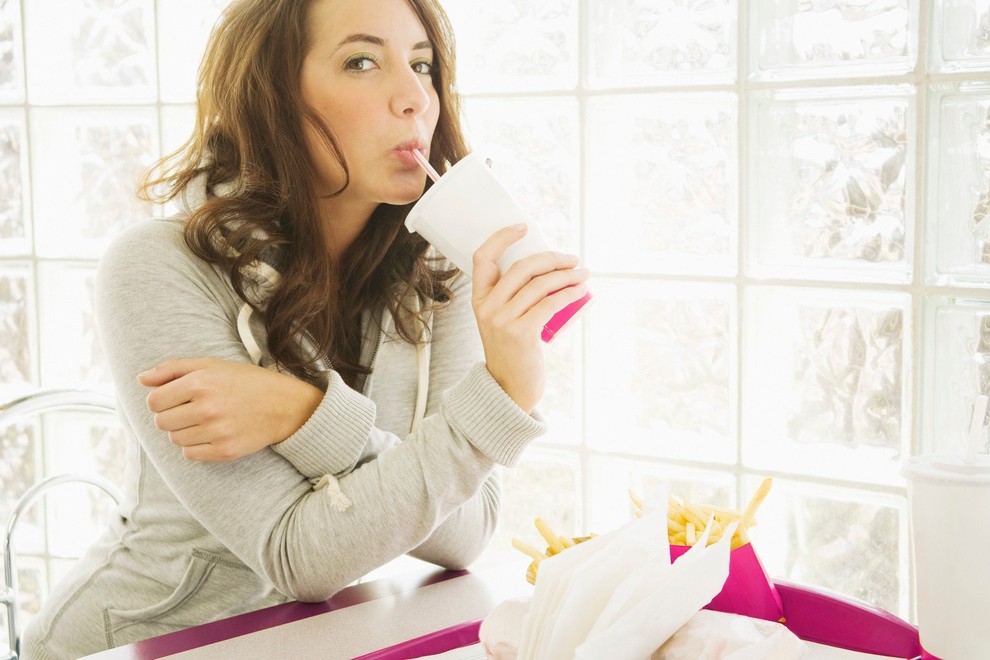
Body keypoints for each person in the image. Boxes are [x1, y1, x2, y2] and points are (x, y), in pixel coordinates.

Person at [20, 0, 589, 657]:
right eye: (362, 61)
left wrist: (303, 411)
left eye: (423, 64)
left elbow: (463, 534)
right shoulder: (155, 266)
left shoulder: (443, 272)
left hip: (315, 639)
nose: (414, 98)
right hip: (145, 642)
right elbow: (298, 557)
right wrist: (495, 398)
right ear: (273, 96)